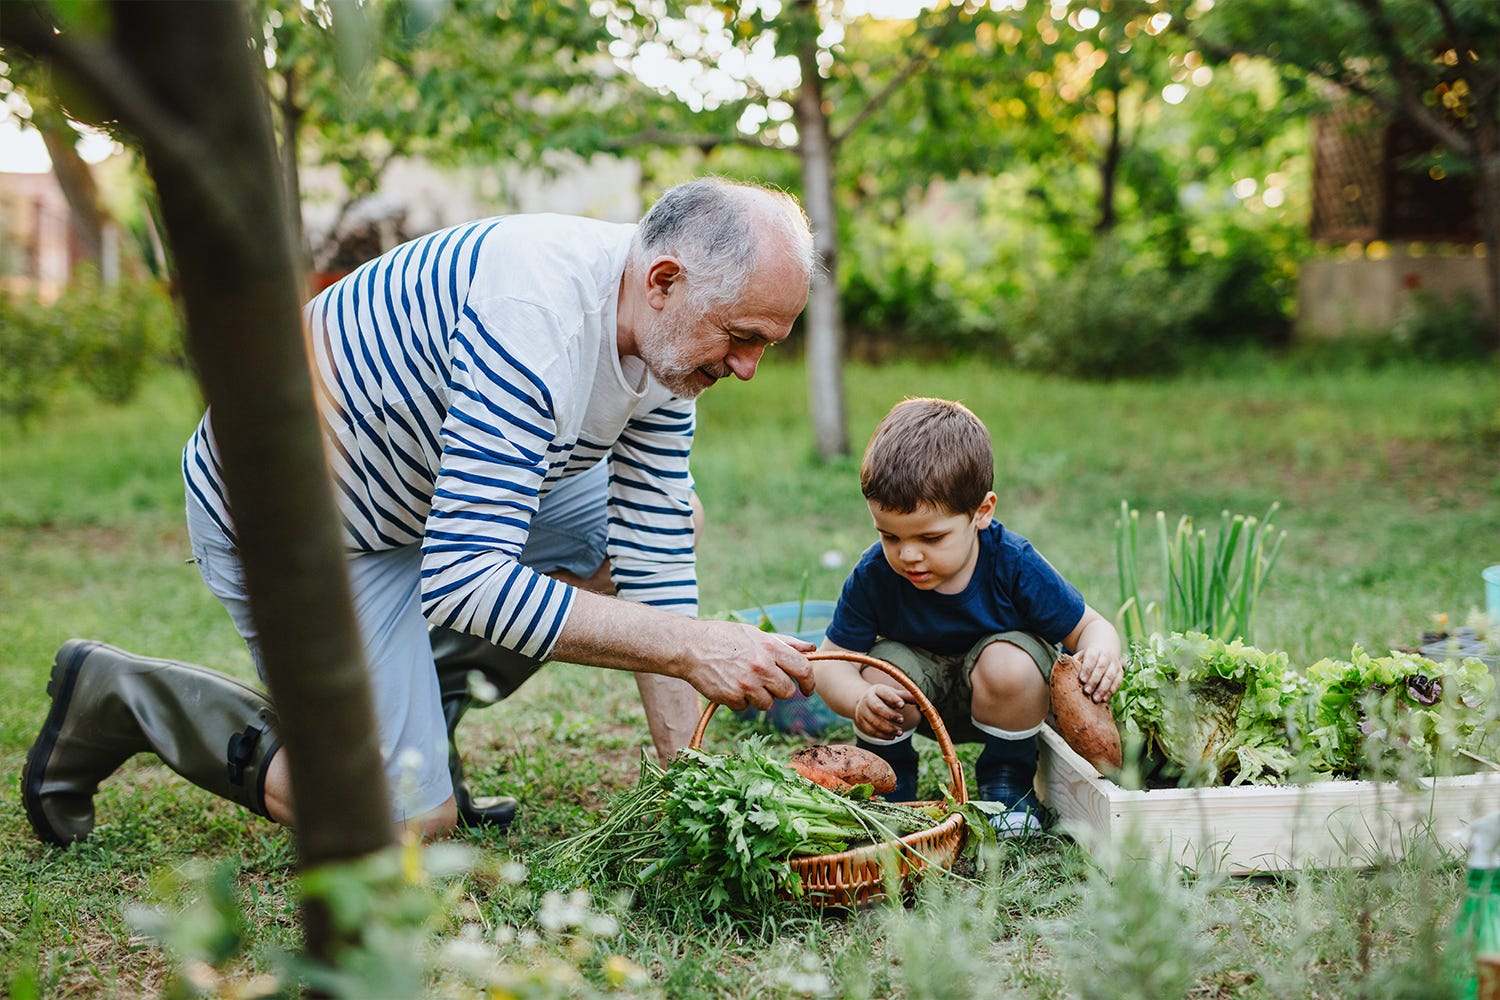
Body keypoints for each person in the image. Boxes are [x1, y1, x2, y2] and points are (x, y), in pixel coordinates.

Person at [23, 176, 819, 846]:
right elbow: (468, 583)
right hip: (309, 530)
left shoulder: (669, 346)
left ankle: (417, 719)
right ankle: (121, 694)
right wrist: (690, 646)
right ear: (665, 279)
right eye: (742, 337)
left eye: (767, 345)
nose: (748, 368)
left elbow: (652, 557)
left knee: (675, 520)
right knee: (409, 821)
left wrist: (698, 797)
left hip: (424, 504)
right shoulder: (536, 318)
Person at [812, 397, 1123, 836]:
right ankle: (892, 788)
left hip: (1005, 697)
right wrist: (858, 699)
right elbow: (832, 662)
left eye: (931, 537)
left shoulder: (1013, 563)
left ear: (982, 512)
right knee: (883, 675)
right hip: (920, 697)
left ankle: (1008, 787)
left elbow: (1090, 627)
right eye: (889, 536)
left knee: (1009, 662)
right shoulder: (876, 574)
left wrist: (1102, 655)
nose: (909, 554)